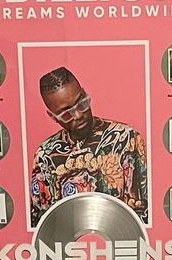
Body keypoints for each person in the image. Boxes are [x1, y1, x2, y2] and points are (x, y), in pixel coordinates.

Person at [29, 67, 148, 226]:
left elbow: (145, 211)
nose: (79, 115)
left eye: (82, 103)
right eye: (66, 114)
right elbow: (42, 225)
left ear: (85, 93)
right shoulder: (45, 156)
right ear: (52, 116)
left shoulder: (126, 138)